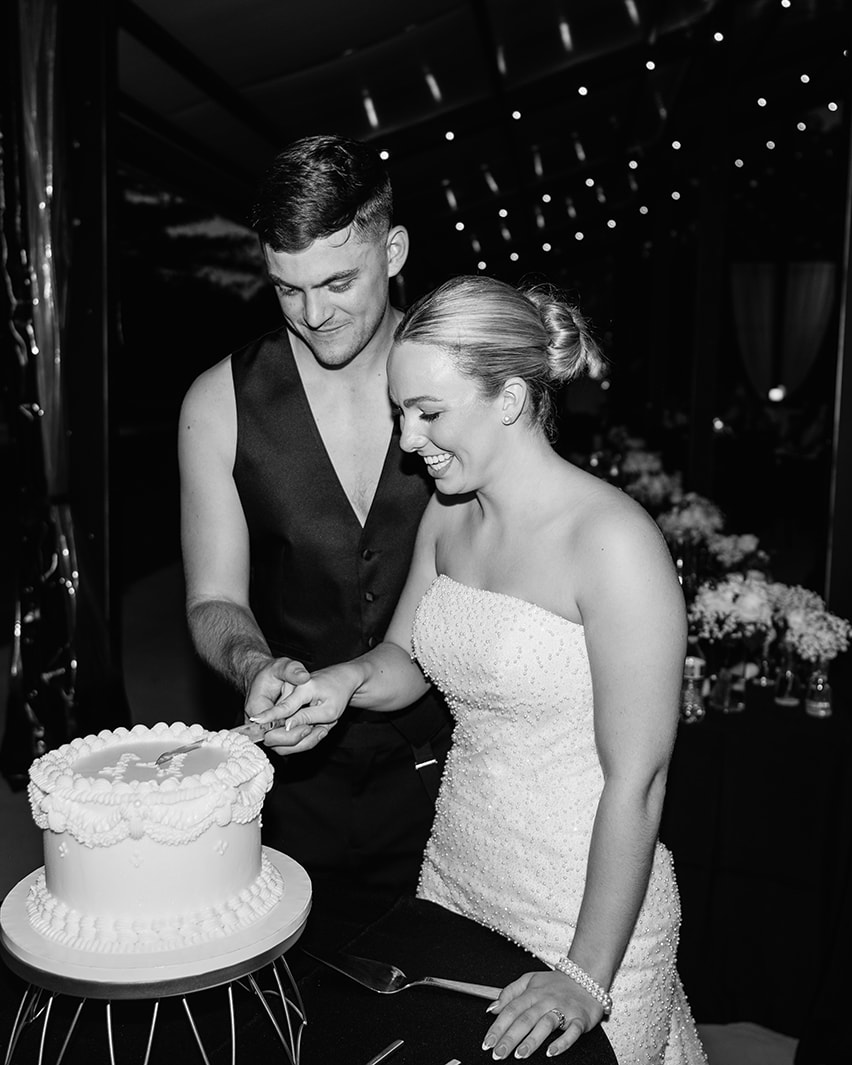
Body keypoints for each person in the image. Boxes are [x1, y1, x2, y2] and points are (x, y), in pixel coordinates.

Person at [255, 276, 706, 1063]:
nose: (406, 439)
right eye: (401, 412)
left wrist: (586, 976)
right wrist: (341, 683)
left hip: (588, 909)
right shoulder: (448, 512)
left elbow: (641, 778)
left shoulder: (614, 541)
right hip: (457, 874)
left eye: (429, 411)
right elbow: (404, 659)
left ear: (510, 397)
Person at [176, 135, 453, 951]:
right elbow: (213, 597)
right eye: (287, 289)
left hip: (455, 758)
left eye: (338, 280)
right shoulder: (217, 403)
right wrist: (254, 665)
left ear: (394, 250)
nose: (314, 313)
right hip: (293, 779)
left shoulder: (462, 383)